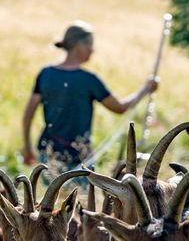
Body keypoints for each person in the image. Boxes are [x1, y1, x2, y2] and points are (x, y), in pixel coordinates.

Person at [21, 21, 158, 174]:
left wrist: (27, 147)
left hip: (48, 154)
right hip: (80, 159)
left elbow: (28, 116)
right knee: (81, 198)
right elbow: (120, 108)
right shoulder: (89, 80)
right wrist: (146, 89)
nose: (92, 50)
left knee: (53, 198)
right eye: (90, 45)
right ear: (79, 45)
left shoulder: (45, 73)